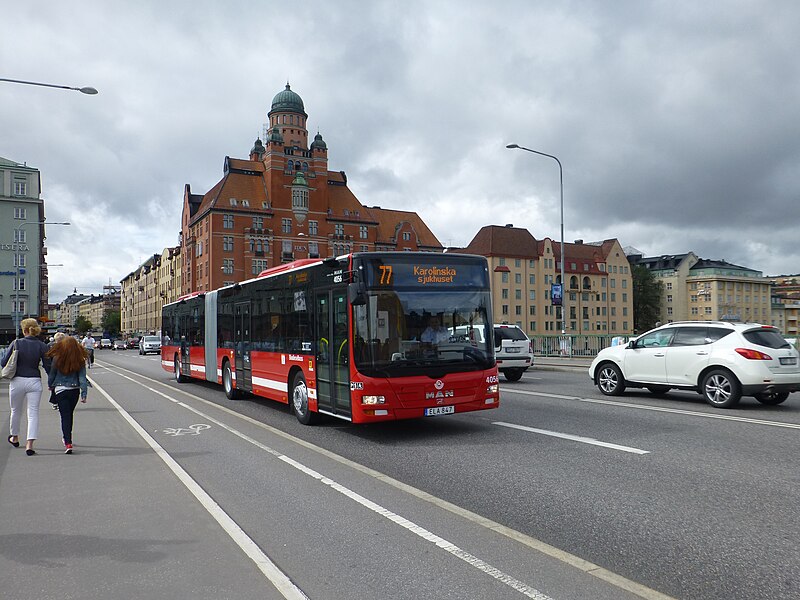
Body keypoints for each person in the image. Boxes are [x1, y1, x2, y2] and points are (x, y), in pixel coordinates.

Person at [2, 318, 50, 456]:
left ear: (24, 330)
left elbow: (3, 362)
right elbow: (48, 367)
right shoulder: (42, 345)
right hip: (34, 381)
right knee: (33, 413)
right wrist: (52, 383)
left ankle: (15, 437)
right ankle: (30, 444)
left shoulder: (16, 343)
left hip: (17, 381)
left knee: (15, 410)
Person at [46, 335, 89, 454]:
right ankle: (67, 438)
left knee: (65, 416)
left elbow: (52, 374)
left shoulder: (57, 358)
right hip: (74, 390)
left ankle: (68, 442)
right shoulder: (79, 360)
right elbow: (82, 378)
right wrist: (84, 394)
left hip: (60, 390)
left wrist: (50, 385)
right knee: (69, 414)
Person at [48, 333, 67, 410]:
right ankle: (59, 402)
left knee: (54, 386)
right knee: (63, 386)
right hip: (63, 370)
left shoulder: (52, 348)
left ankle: (55, 402)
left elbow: (48, 358)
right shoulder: (66, 348)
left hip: (54, 369)